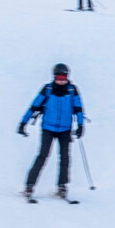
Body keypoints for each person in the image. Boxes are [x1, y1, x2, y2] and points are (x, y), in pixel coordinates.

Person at [17, 63, 86, 200]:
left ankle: (62, 186)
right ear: (54, 76)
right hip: (48, 128)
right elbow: (34, 106)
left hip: (65, 130)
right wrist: (23, 123)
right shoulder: (47, 89)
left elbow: (78, 109)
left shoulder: (72, 90)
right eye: (59, 77)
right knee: (42, 155)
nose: (61, 80)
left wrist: (80, 125)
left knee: (65, 157)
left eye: (64, 77)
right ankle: (29, 186)